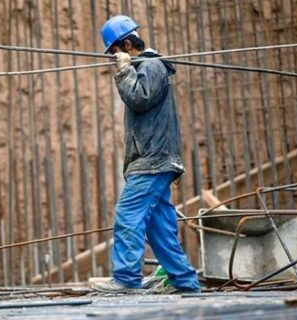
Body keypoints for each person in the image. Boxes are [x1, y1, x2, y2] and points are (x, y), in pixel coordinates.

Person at [92, 15, 200, 293]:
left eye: (114, 52)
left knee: (128, 213)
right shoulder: (146, 66)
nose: (112, 59)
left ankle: (126, 278)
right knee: (159, 227)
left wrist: (124, 71)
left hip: (152, 160)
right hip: (155, 159)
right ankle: (186, 282)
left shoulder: (151, 65)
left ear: (127, 44)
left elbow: (138, 99)